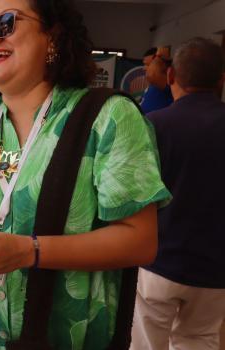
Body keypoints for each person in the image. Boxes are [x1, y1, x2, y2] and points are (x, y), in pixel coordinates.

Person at [0, 0, 171, 349]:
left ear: (52, 36)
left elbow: (140, 240)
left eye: (5, 24)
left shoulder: (108, 119)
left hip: (65, 337)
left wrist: (31, 251)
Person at [130, 37, 225, 350]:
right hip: (215, 268)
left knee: (145, 342)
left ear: (170, 77)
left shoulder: (154, 125)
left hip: (159, 261)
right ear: (221, 80)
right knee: (200, 338)